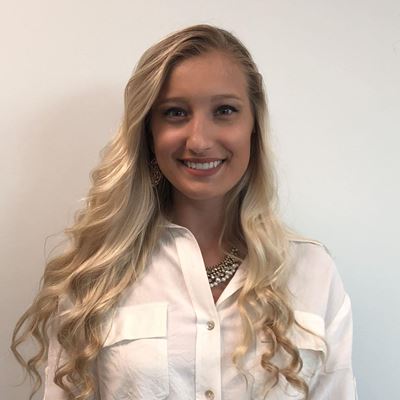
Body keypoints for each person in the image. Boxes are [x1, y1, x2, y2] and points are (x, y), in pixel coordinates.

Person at [11, 24, 357, 400]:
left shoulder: (313, 271)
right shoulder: (95, 273)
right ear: (148, 133)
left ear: (254, 127)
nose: (199, 140)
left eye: (224, 111)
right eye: (175, 113)